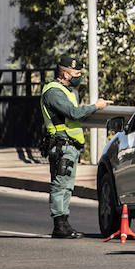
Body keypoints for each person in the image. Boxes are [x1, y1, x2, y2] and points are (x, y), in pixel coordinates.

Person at [40, 55, 107, 238]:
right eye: (77, 73)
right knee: (60, 185)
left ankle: (64, 223)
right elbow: (73, 113)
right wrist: (96, 107)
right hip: (62, 145)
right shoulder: (54, 92)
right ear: (65, 73)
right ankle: (59, 224)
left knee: (67, 186)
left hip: (69, 145)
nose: (79, 76)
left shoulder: (65, 91)